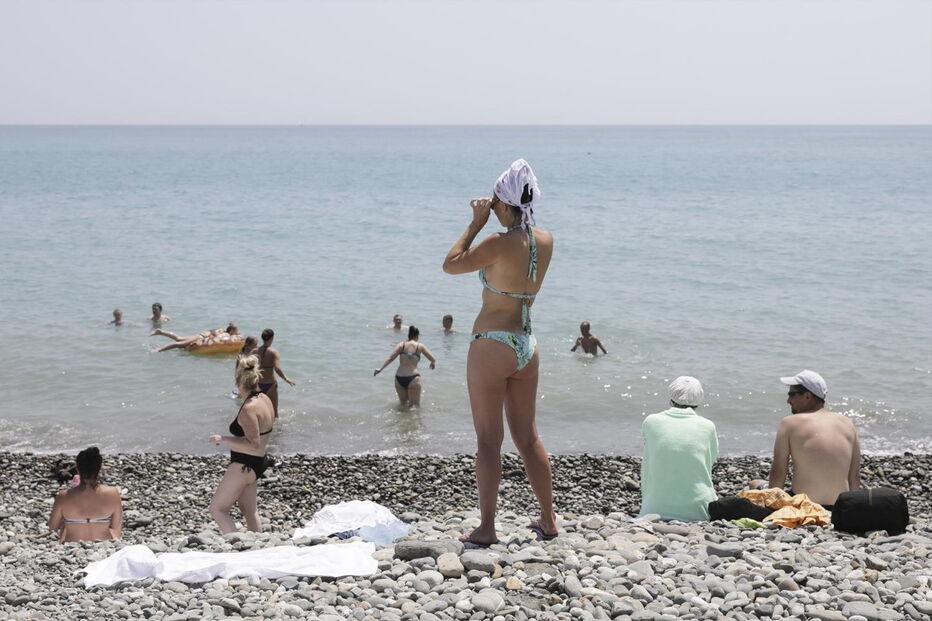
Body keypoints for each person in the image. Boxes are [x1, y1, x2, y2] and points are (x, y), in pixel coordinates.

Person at [442, 159, 556, 545]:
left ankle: (488, 526)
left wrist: (475, 223)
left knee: (489, 441)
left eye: (495, 203)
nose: (491, 209)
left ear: (504, 205)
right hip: (527, 344)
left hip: (492, 343)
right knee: (528, 437)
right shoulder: (546, 241)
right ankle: (548, 519)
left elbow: (450, 265)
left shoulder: (495, 243)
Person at [748, 370, 860, 509]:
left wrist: (773, 507)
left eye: (792, 394)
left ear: (807, 396)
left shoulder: (789, 423)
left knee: (755, 483)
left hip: (805, 505)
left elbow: (778, 471)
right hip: (839, 506)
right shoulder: (848, 423)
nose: (788, 400)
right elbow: (854, 475)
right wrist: (855, 508)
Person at [208, 355, 276, 533]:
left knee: (218, 509)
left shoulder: (248, 409)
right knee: (249, 510)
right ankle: (258, 544)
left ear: (239, 383)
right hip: (258, 463)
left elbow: (252, 444)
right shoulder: (265, 399)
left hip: (244, 465)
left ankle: (239, 549)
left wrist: (222, 439)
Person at [638, 377, 718, 521]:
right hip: (699, 511)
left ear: (671, 395)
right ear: (699, 399)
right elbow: (711, 460)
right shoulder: (707, 426)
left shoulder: (651, 421)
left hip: (654, 508)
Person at [48, 447, 123, 542]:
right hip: (104, 545)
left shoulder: (63, 496)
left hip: (73, 546)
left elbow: (52, 526)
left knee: (64, 520)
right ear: (99, 469)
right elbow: (115, 525)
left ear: (78, 469)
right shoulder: (112, 493)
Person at [374, 325, 437, 408]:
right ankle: (412, 421)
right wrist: (432, 363)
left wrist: (380, 369)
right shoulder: (419, 346)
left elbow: (391, 358)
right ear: (417, 336)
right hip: (413, 378)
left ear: (408, 335)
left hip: (399, 378)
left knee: (403, 406)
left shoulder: (401, 345)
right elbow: (433, 358)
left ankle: (402, 421)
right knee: (415, 407)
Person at [256, 329, 296, 417]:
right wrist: (286, 379)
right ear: (272, 338)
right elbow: (277, 368)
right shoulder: (274, 352)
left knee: (261, 410)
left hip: (258, 384)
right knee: (274, 410)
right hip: (270, 384)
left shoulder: (255, 351)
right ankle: (276, 430)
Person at [151, 323, 239, 352]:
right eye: (236, 331)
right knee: (178, 344)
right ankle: (159, 349)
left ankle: (161, 332)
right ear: (231, 330)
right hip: (199, 338)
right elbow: (218, 338)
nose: (237, 333)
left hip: (199, 335)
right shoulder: (225, 334)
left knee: (179, 338)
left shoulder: (221, 330)